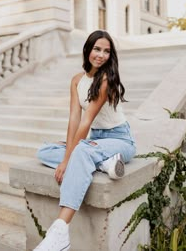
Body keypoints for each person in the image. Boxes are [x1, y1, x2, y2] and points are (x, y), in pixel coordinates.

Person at [33, 30, 136, 251]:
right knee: (44, 151)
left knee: (79, 152)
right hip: (96, 142)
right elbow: (74, 119)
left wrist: (67, 159)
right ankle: (104, 163)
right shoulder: (77, 80)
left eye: (107, 51)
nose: (101, 55)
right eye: (97, 49)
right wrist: (67, 154)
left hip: (120, 140)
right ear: (87, 49)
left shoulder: (106, 80)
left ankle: (60, 231)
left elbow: (86, 121)